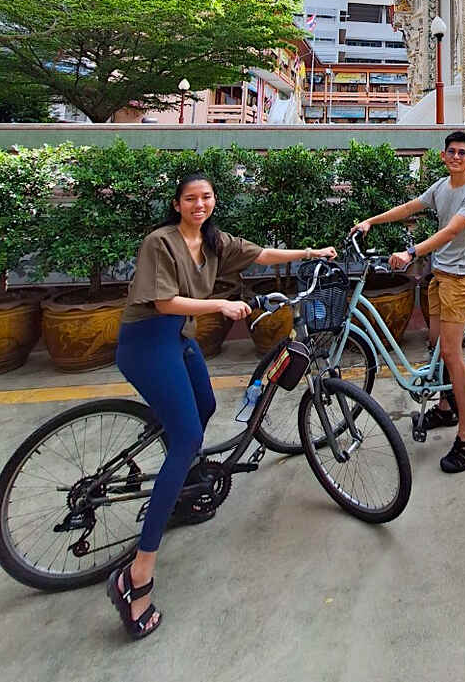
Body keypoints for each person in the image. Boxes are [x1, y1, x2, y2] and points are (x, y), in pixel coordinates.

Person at [108, 171, 336, 641]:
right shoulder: (161, 242)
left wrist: (310, 253)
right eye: (191, 198)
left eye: (206, 197)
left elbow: (261, 254)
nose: (199, 204)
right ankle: (137, 577)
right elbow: (165, 302)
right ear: (176, 204)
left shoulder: (213, 240)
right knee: (189, 436)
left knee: (205, 405)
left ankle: (182, 480)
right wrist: (221, 308)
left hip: (178, 339)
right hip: (148, 341)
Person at [351, 130, 465, 475]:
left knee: (452, 353)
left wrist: (411, 252)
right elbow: (411, 207)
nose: (456, 157)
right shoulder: (442, 187)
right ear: (443, 157)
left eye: (462, 152)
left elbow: (452, 231)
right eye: (451, 152)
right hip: (440, 274)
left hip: (463, 278)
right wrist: (371, 220)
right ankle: (445, 408)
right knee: (435, 344)